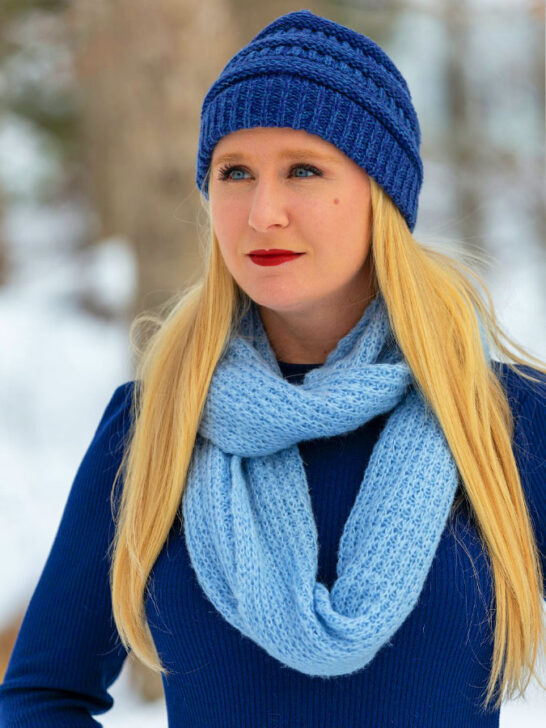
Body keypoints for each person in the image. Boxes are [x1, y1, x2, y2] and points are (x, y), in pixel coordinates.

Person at [0, 9, 544, 728]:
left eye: (304, 170)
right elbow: (42, 697)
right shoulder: (157, 425)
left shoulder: (500, 416)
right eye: (235, 173)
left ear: (382, 194)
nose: (262, 212)